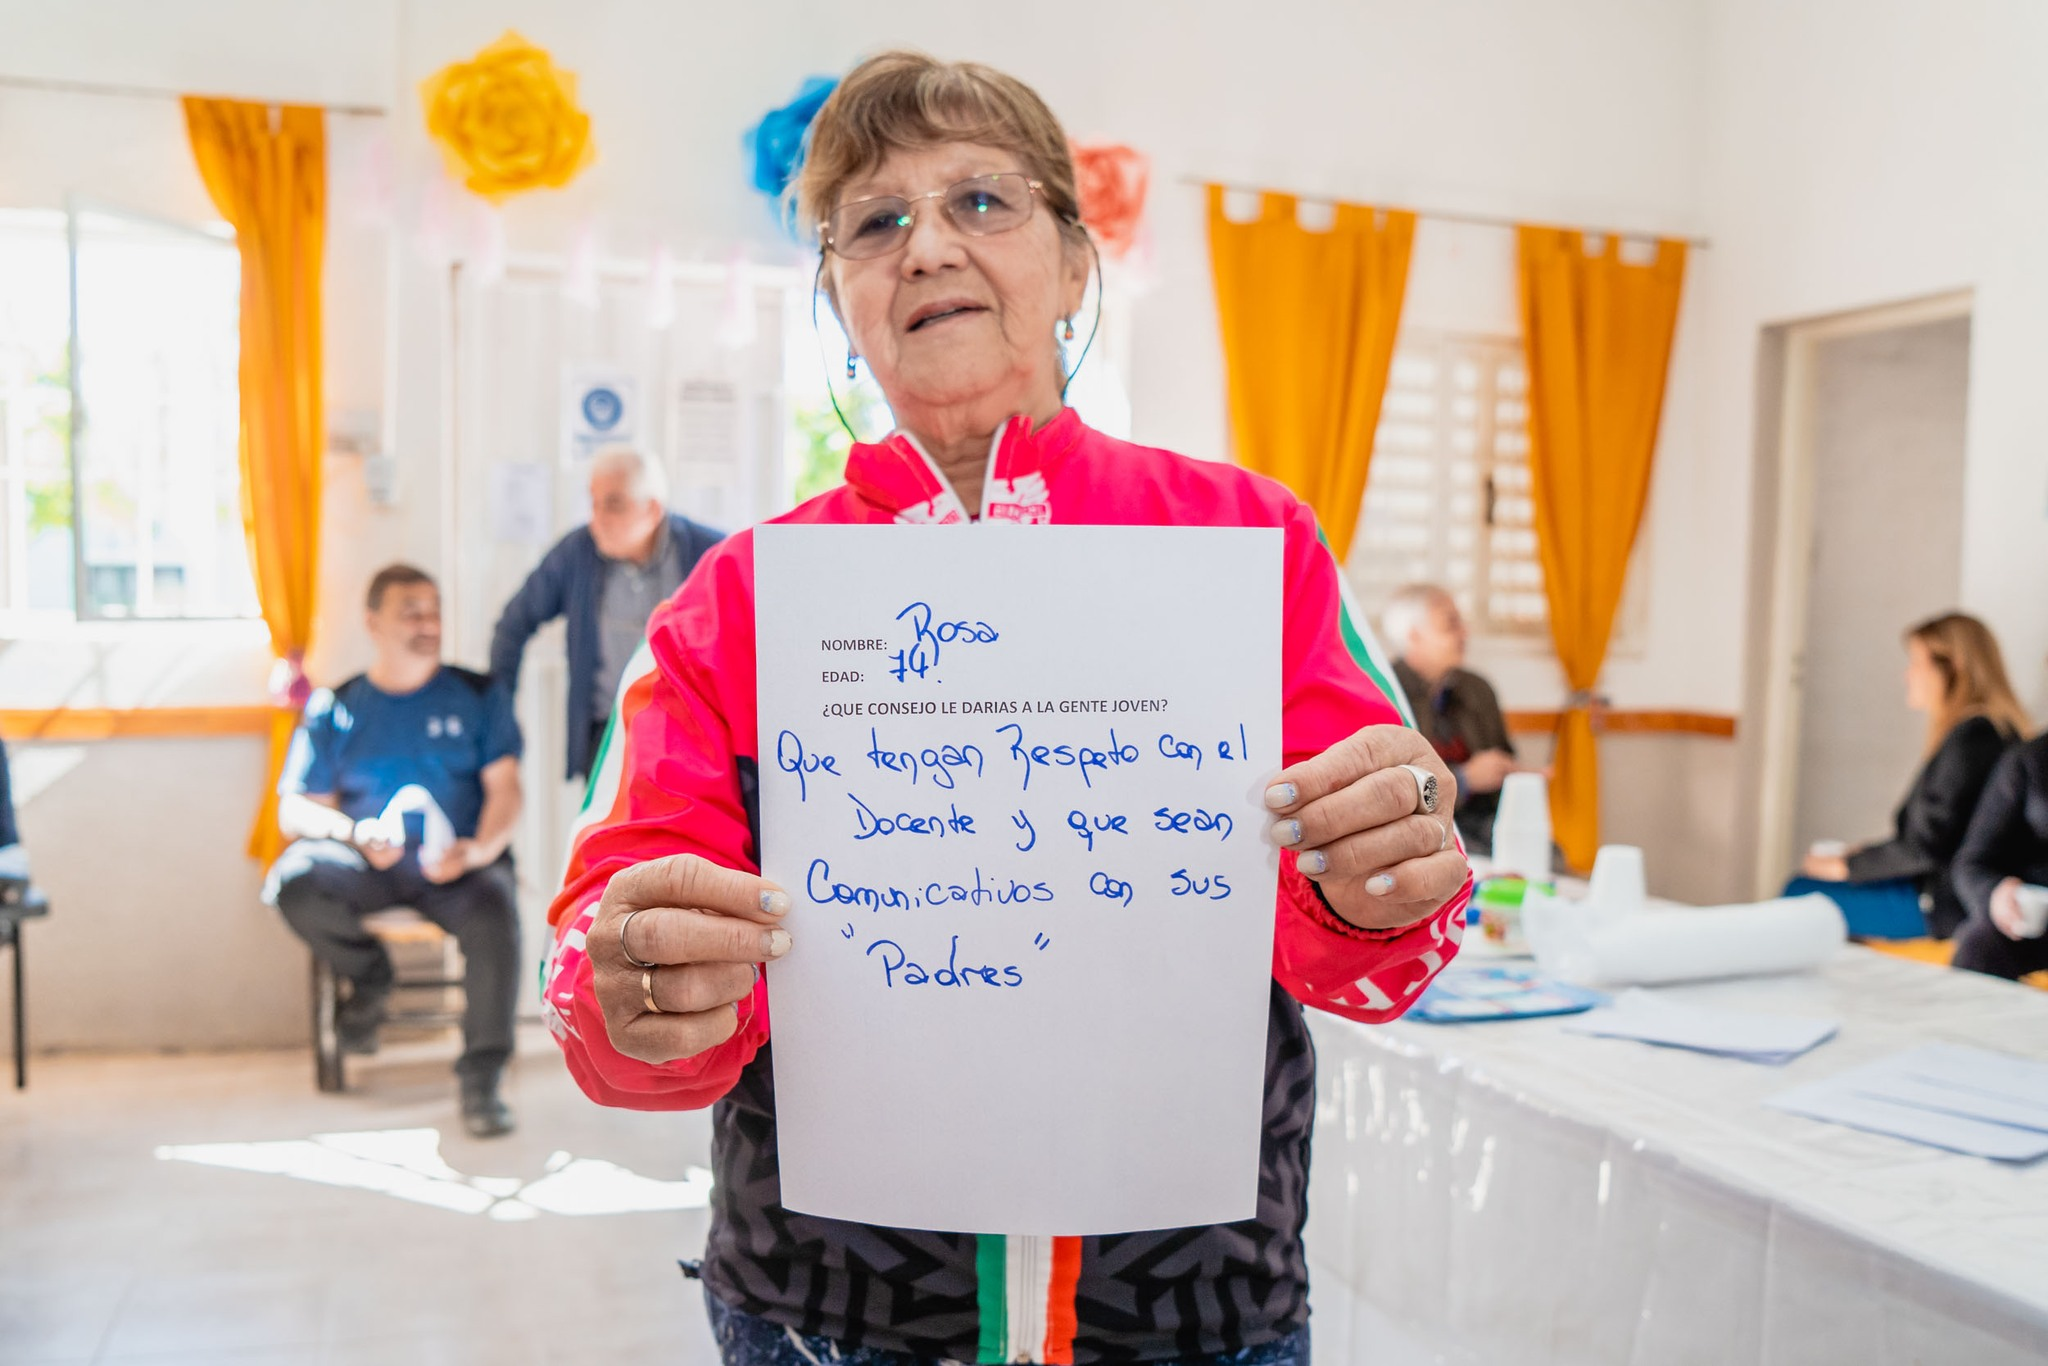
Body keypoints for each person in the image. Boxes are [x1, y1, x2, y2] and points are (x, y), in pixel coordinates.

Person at [542, 52, 1471, 1366]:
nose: (926, 246)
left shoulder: (1250, 544)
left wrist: (1381, 880)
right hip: (827, 1320)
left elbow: (1374, 951)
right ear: (838, 298)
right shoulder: (733, 602)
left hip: (1198, 1312)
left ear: (1076, 264)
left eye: (981, 200)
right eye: (875, 221)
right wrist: (638, 985)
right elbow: (610, 966)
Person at [267, 564, 526, 1138]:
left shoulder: (479, 695)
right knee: (293, 881)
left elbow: (506, 791)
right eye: (411, 613)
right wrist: (352, 834)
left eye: (434, 611)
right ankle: (371, 977)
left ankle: (482, 1079)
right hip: (370, 863)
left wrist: (477, 851)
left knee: (496, 908)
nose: (428, 623)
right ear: (374, 623)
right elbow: (297, 809)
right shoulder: (336, 706)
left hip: (455, 868)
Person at [489, 447, 724, 783]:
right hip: (607, 735)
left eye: (613, 504)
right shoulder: (577, 552)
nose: (597, 519)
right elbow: (513, 625)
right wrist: (497, 719)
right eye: (593, 503)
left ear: (652, 509)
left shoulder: (710, 554)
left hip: (690, 738)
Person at [1788, 613, 2028, 940]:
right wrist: (1856, 857)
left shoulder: (1973, 740)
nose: (1907, 675)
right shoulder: (1995, 732)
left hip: (1938, 903)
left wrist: (1843, 866)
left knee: (1798, 892)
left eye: (1916, 663)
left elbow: (1926, 848)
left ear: (1954, 667)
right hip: (1947, 894)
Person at [1383, 583, 1526, 853]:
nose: (1464, 633)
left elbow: (1505, 757)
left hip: (1486, 825)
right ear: (1413, 636)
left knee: (1546, 856)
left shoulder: (1478, 689)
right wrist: (1464, 779)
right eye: (1451, 625)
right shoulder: (1385, 694)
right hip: (1420, 832)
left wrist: (1516, 775)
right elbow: (1390, 793)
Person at [1948, 730, 2048, 980]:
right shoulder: (2030, 761)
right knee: (1980, 945)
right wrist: (1995, 893)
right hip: (2038, 916)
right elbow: (1972, 861)